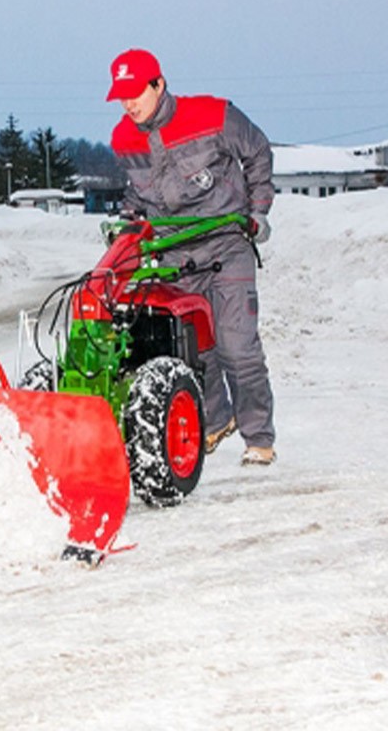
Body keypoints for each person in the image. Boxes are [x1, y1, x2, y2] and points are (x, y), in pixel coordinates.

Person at [106, 48, 276, 466]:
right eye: (121, 97)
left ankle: (259, 437)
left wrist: (258, 211)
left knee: (237, 346)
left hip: (225, 243)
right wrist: (129, 224)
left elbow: (257, 151)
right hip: (174, 254)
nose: (129, 104)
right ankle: (216, 420)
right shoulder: (123, 138)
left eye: (135, 94)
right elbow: (139, 192)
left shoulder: (213, 115)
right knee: (195, 350)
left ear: (158, 84)